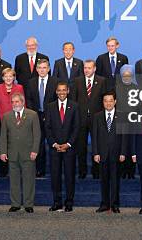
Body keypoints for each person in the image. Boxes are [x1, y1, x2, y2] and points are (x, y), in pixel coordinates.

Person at [0, 93, 41, 213]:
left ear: (22, 102)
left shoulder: (32, 115)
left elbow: (37, 134)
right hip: (12, 153)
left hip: (28, 153)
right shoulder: (7, 116)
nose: (14, 104)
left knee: (29, 180)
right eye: (12, 102)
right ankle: (15, 204)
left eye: (17, 102)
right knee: (14, 180)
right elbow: (3, 136)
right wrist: (3, 152)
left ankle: (28, 204)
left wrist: (35, 150)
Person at [45, 82, 80, 212]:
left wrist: (68, 144)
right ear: (56, 91)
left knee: (70, 176)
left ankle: (69, 202)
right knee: (55, 176)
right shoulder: (50, 107)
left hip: (69, 148)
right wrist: (54, 144)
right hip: (54, 148)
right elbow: (47, 128)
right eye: (59, 90)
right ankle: (57, 202)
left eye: (64, 90)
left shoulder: (74, 106)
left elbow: (77, 127)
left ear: (68, 91)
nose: (61, 92)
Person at [92, 91, 129, 213]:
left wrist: (123, 152)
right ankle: (104, 204)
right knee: (103, 180)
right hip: (102, 154)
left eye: (110, 101)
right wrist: (95, 153)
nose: (108, 103)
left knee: (115, 180)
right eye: (106, 101)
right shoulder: (97, 116)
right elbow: (95, 136)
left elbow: (124, 137)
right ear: (103, 102)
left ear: (115, 102)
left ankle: (114, 204)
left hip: (116, 153)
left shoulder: (122, 116)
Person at [71, 59, 106, 179]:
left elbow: (104, 101)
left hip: (97, 119)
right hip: (81, 119)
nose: (86, 70)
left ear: (94, 68)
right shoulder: (77, 81)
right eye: (85, 68)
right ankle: (82, 171)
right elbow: (74, 101)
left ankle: (96, 172)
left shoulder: (102, 81)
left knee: (97, 146)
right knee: (81, 147)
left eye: (89, 68)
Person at [26, 59, 58, 177]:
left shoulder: (55, 82)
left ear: (48, 69)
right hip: (36, 116)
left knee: (53, 143)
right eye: (40, 68)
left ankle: (55, 170)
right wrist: (33, 114)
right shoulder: (31, 82)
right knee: (38, 144)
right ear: (36, 69)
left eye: (44, 68)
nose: (42, 70)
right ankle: (40, 169)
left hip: (52, 117)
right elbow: (28, 99)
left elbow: (57, 99)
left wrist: (49, 115)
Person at [0, 68, 24, 178]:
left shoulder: (19, 87)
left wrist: (22, 119)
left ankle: (16, 169)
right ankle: (3, 170)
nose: (8, 78)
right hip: (1, 121)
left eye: (11, 76)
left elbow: (23, 104)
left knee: (16, 145)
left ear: (14, 77)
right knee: (3, 145)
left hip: (16, 121)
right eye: (6, 76)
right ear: (2, 78)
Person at [115, 64, 138, 179]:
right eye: (124, 75)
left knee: (132, 146)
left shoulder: (136, 88)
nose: (127, 77)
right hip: (120, 122)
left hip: (133, 122)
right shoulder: (116, 87)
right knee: (121, 146)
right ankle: (122, 171)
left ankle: (131, 172)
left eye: (129, 75)